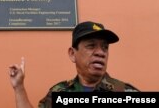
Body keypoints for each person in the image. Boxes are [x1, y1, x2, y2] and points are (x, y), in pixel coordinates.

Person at [9, 21, 139, 108]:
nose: (101, 52)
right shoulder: (58, 92)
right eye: (91, 46)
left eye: (105, 47)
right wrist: (19, 87)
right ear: (72, 54)